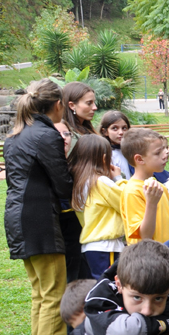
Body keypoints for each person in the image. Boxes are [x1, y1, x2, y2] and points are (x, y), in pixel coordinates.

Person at [4, 79, 74, 335]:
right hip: (39, 221)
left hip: (18, 218)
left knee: (41, 295)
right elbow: (63, 184)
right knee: (53, 297)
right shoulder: (46, 135)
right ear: (58, 105)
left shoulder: (17, 134)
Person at [69, 134, 126, 279]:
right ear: (103, 158)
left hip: (90, 247)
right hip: (107, 246)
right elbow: (126, 202)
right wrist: (118, 179)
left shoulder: (79, 183)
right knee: (109, 288)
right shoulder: (100, 182)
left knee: (97, 289)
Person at [61, 81, 98, 281]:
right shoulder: (66, 134)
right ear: (71, 105)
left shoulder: (85, 130)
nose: (94, 107)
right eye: (89, 103)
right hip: (77, 208)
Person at [120, 128, 169, 244]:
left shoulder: (159, 186)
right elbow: (145, 236)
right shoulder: (132, 191)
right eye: (158, 152)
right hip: (149, 259)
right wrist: (151, 203)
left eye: (165, 148)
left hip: (168, 255)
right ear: (139, 159)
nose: (166, 153)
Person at [99, 111, 131, 179]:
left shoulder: (132, 151)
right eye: (115, 128)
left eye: (124, 128)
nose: (121, 132)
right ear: (105, 132)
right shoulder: (106, 154)